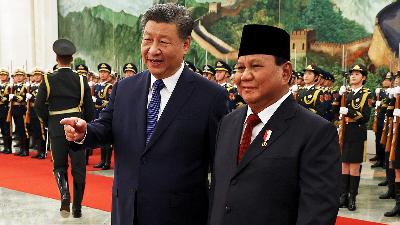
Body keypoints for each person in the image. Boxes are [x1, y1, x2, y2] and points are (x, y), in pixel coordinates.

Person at [61, 4, 228, 225]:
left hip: (180, 215)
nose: (152, 50)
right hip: (127, 212)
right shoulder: (125, 88)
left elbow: (221, 166)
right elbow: (106, 128)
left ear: (185, 44)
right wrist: (84, 132)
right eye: (148, 40)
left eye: (164, 42)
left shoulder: (211, 96)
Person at [209, 24, 340, 225]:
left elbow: (316, 216)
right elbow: (219, 194)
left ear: (285, 72)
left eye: (256, 66)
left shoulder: (315, 133)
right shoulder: (228, 123)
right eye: (240, 67)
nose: (244, 76)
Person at [34, 39, 94, 218]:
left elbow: (38, 105)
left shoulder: (48, 79)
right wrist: (82, 124)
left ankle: (65, 195)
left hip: (56, 127)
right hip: (76, 127)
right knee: (79, 169)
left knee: (59, 165)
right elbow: (90, 110)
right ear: (72, 59)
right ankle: (77, 208)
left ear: (57, 58)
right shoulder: (82, 80)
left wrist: (49, 120)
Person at [335, 64, 373, 211]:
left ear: (363, 78)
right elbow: (334, 109)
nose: (353, 76)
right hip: (344, 132)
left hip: (356, 132)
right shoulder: (347, 93)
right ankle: (343, 196)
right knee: (344, 165)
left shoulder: (366, 94)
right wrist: (339, 95)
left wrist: (349, 112)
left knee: (354, 167)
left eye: (357, 74)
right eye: (352, 74)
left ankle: (352, 197)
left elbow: (365, 117)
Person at [92, 63, 113, 170]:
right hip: (97, 114)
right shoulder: (96, 86)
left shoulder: (110, 87)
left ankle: (107, 162)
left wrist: (97, 101)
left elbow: (110, 102)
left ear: (109, 74)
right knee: (101, 138)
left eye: (104, 72)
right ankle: (102, 160)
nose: (102, 74)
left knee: (107, 138)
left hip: (105, 114)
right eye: (101, 72)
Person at [27, 67, 46, 159]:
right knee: (35, 131)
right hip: (32, 110)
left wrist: (33, 98)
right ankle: (38, 151)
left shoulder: (44, 86)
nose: (36, 77)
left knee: (41, 131)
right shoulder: (31, 86)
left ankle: (42, 151)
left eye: (38, 75)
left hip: (41, 110)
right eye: (35, 75)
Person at [0, 68, 11, 154]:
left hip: (5, 108)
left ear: (7, 76)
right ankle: (4, 146)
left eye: (4, 75)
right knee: (2, 129)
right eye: (1, 75)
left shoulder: (9, 86)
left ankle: (8, 147)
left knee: (6, 128)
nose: (2, 77)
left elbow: (8, 98)